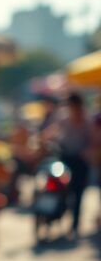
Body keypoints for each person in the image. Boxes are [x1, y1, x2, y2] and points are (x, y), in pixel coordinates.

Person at [56, 93, 92, 238]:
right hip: (65, 158)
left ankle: (75, 225)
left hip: (80, 162)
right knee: (63, 191)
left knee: (78, 194)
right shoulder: (64, 119)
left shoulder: (87, 122)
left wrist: (87, 151)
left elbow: (93, 140)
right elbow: (53, 132)